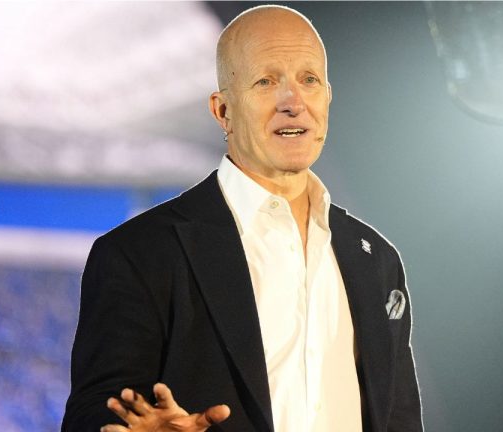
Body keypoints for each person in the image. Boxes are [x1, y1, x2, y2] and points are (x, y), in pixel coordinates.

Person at [62, 5, 422, 432]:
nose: (294, 103)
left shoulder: (376, 260)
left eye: (309, 80)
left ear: (327, 96)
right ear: (222, 111)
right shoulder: (139, 254)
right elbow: (95, 415)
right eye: (266, 82)